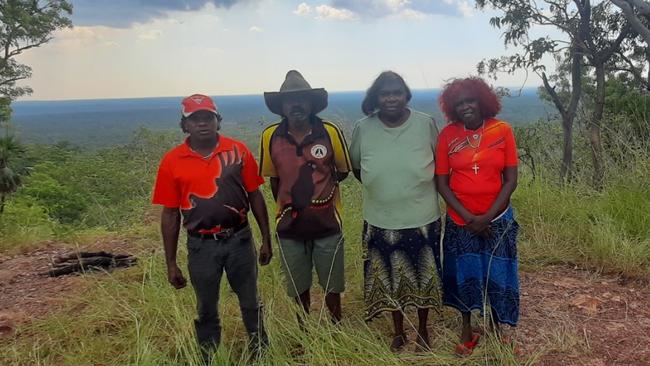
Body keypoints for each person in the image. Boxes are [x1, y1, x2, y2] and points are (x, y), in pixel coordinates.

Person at [152, 94, 272, 362]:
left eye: (208, 117)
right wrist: (171, 262)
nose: (202, 123)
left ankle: (261, 353)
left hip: (239, 238)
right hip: (200, 245)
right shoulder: (172, 161)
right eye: (195, 119)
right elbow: (170, 214)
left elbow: (255, 195)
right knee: (206, 308)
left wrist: (266, 239)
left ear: (218, 121)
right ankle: (208, 357)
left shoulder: (238, 151)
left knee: (251, 302)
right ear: (185, 125)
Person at [349, 71, 442, 351]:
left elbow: (441, 165)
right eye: (384, 93)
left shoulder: (425, 124)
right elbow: (356, 167)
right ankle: (398, 331)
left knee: (424, 277)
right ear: (376, 98)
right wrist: (382, 187)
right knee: (389, 279)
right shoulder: (363, 128)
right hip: (380, 220)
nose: (391, 98)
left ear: (406, 96)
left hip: (422, 218)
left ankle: (423, 330)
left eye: (396, 92)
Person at [434, 77, 520, 356]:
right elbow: (442, 183)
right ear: (451, 107)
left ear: (482, 100)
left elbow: (510, 180)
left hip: (498, 219)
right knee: (465, 274)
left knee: (497, 274)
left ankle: (496, 328)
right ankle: (466, 328)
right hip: (461, 222)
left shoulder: (502, 130)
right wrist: (470, 218)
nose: (465, 107)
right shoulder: (448, 135)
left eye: (470, 100)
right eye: (459, 103)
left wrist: (487, 218)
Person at [259, 70, 351, 323]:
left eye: (302, 99)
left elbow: (342, 171)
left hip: (328, 222)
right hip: (289, 225)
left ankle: (336, 328)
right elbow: (274, 179)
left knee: (332, 283)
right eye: (289, 100)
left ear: (312, 104)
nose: (296, 105)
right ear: (281, 107)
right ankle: (303, 329)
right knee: (298, 284)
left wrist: (321, 192)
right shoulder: (270, 136)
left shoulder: (330, 132)